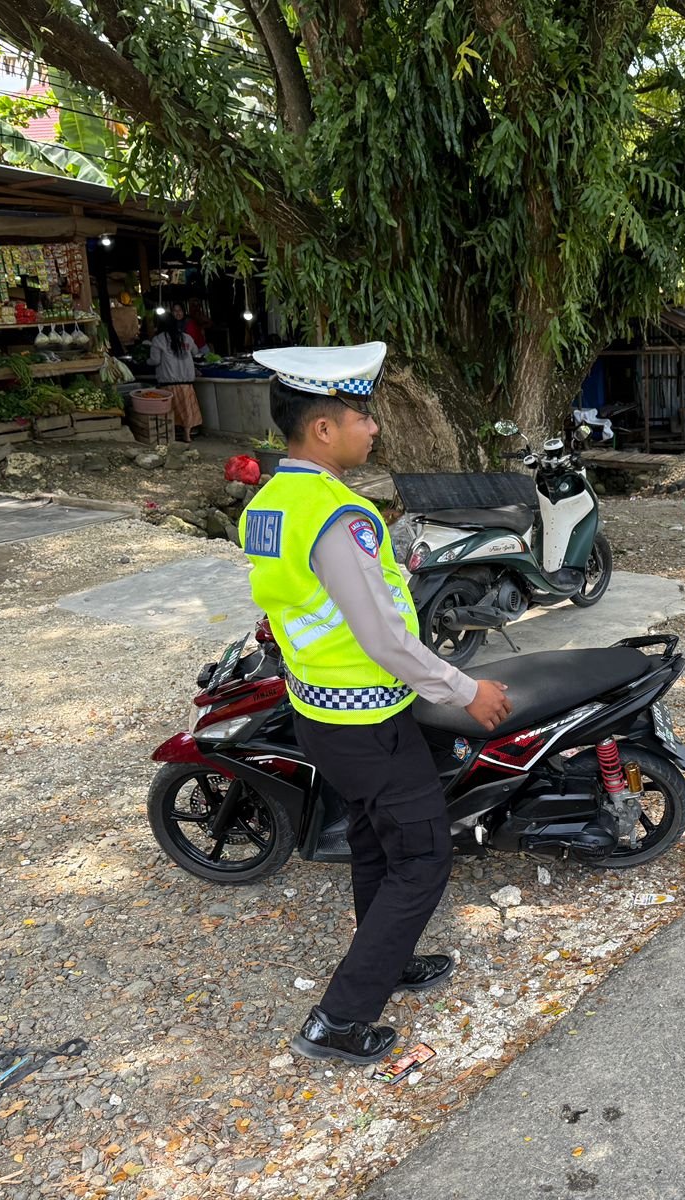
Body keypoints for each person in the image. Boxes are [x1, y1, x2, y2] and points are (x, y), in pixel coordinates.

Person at [239, 342, 514, 1063]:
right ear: (322, 429)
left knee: (372, 840)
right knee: (421, 858)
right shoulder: (336, 513)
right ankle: (338, 1020)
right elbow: (385, 639)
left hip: (322, 711)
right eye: (361, 415)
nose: (373, 428)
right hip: (366, 718)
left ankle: (386, 963)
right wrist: (467, 689)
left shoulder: (270, 504)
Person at [147, 314, 204, 441]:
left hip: (169, 381)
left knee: (171, 410)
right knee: (187, 409)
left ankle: (171, 435)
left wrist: (146, 362)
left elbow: (155, 360)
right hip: (186, 382)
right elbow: (196, 352)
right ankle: (187, 435)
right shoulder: (186, 337)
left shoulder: (158, 339)